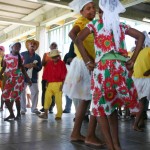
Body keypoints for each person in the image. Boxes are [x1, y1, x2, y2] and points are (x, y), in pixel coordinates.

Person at [75, 0, 145, 149]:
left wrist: (88, 61)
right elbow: (141, 37)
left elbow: (78, 39)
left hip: (103, 70)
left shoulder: (94, 25)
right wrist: (132, 60)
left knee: (100, 108)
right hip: (120, 70)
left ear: (102, 12)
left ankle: (111, 146)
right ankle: (117, 146)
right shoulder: (121, 26)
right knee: (112, 108)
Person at [63, 0, 103, 147]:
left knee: (85, 101)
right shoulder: (82, 21)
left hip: (86, 64)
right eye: (88, 8)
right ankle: (90, 135)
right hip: (85, 65)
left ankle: (75, 133)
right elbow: (72, 34)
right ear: (82, 12)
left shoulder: (91, 23)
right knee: (94, 99)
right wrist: (87, 59)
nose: (92, 10)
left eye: (94, 7)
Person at [0, 42, 31, 121]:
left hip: (18, 80)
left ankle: (18, 114)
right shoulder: (6, 56)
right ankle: (11, 114)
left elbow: (23, 69)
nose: (17, 47)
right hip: (8, 80)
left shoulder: (21, 57)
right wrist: (0, 74)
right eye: (16, 46)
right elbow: (4, 67)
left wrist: (28, 78)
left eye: (19, 46)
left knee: (16, 98)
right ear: (12, 47)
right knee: (4, 96)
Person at [39, 49, 67, 120]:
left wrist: (62, 85)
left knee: (58, 100)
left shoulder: (62, 63)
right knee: (47, 98)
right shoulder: (49, 64)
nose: (54, 58)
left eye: (55, 57)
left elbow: (64, 75)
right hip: (50, 84)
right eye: (53, 57)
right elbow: (46, 74)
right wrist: (47, 84)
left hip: (59, 84)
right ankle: (45, 114)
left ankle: (59, 115)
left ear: (58, 56)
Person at [132, 31, 150, 130]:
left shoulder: (148, 49)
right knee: (140, 102)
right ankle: (139, 122)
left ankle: (135, 124)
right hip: (137, 78)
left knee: (142, 102)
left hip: (146, 79)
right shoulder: (138, 51)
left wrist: (149, 70)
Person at [20, 39, 42, 115]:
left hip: (33, 78)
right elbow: (17, 65)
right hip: (23, 77)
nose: (32, 45)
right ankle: (22, 109)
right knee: (22, 92)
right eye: (30, 44)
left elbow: (40, 68)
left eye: (34, 44)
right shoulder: (22, 54)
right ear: (27, 46)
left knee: (35, 92)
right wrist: (26, 65)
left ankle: (34, 109)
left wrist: (35, 66)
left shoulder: (38, 57)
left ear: (36, 47)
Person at [40, 42, 57, 113]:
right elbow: (42, 64)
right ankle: (44, 107)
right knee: (44, 91)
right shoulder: (46, 54)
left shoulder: (58, 55)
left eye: (55, 46)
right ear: (50, 47)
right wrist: (46, 61)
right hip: (45, 76)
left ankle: (51, 107)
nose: (53, 47)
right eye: (52, 46)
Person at [0, 46, 5, 111]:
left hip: (4, 77)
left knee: (4, 92)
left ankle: (1, 107)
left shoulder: (6, 57)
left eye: (1, 50)